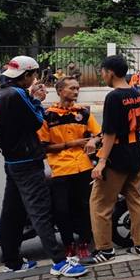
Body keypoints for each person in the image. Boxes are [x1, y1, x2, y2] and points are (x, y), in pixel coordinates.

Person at [0, 56, 87, 276]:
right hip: (28, 162)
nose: (34, 79)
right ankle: (60, 262)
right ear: (26, 75)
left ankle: (12, 261)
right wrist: (36, 99)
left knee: (11, 212)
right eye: (33, 75)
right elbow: (37, 120)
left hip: (13, 161)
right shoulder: (17, 94)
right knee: (40, 212)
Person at [82, 55, 140, 264]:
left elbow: (110, 133)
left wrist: (101, 160)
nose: (102, 75)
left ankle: (105, 249)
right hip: (136, 153)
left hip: (117, 157)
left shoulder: (113, 97)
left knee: (99, 204)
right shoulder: (137, 94)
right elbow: (137, 127)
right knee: (136, 200)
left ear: (110, 71)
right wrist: (99, 137)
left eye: (102, 71)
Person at [37, 77, 101, 259]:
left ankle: (83, 242)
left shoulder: (84, 113)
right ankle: (68, 244)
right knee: (62, 210)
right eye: (72, 88)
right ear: (60, 91)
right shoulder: (47, 115)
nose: (76, 91)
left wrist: (93, 141)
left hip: (83, 167)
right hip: (60, 169)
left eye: (77, 88)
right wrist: (70, 144)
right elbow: (43, 146)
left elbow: (98, 134)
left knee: (84, 207)